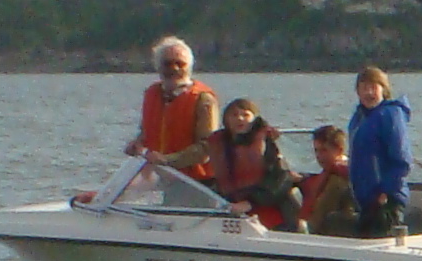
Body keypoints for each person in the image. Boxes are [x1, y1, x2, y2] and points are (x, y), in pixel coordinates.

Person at [165, 97, 303, 227]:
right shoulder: (217, 141)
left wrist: (250, 203)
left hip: (263, 203)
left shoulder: (265, 140)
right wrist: (166, 161)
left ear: (254, 119)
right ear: (226, 119)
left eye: (245, 115)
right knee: (182, 190)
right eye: (234, 115)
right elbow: (195, 155)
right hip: (230, 202)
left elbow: (279, 177)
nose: (239, 118)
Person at [345, 65, 413, 239]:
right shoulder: (359, 117)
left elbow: (402, 161)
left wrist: (386, 192)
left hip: (386, 200)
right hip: (365, 200)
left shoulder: (391, 114)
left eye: (373, 87)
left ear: (384, 89)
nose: (368, 93)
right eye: (364, 88)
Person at [129, 35, 219, 165]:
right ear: (158, 66)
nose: (174, 68)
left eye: (180, 64)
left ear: (189, 67)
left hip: (191, 176)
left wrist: (168, 160)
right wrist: (137, 144)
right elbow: (146, 133)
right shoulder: (152, 94)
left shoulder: (203, 99)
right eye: (168, 64)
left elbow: (207, 147)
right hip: (158, 173)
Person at [296, 125, 358, 235]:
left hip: (332, 227)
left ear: (339, 150)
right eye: (316, 151)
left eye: (324, 150)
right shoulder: (330, 171)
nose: (319, 156)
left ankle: (307, 229)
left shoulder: (340, 175)